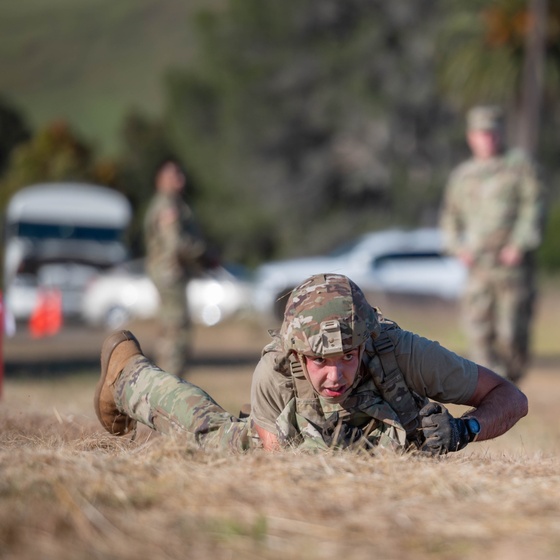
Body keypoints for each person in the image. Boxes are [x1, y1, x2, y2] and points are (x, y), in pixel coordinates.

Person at [93, 273, 528, 454]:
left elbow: (510, 397)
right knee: (215, 437)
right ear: (298, 353)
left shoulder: (405, 353)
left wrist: (462, 431)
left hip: (365, 436)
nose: (334, 374)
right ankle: (128, 376)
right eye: (320, 361)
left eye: (347, 358)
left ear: (366, 342)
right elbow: (281, 472)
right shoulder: (274, 373)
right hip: (295, 440)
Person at [439, 105, 545, 384]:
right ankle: (489, 387)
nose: (486, 139)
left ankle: (511, 381)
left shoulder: (519, 166)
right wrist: (456, 247)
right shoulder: (463, 175)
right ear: (470, 137)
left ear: (499, 134)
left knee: (512, 331)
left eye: (491, 133)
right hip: (478, 265)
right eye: (480, 134)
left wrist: (519, 244)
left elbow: (534, 207)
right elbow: (450, 216)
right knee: (478, 329)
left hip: (511, 265)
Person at [143, 157, 207, 377]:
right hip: (171, 274)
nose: (180, 179)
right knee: (176, 330)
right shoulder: (168, 205)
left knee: (168, 329)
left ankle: (166, 381)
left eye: (180, 174)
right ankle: (172, 384)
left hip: (168, 274)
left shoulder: (170, 203)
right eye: (173, 175)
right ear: (160, 179)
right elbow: (176, 243)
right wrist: (202, 252)